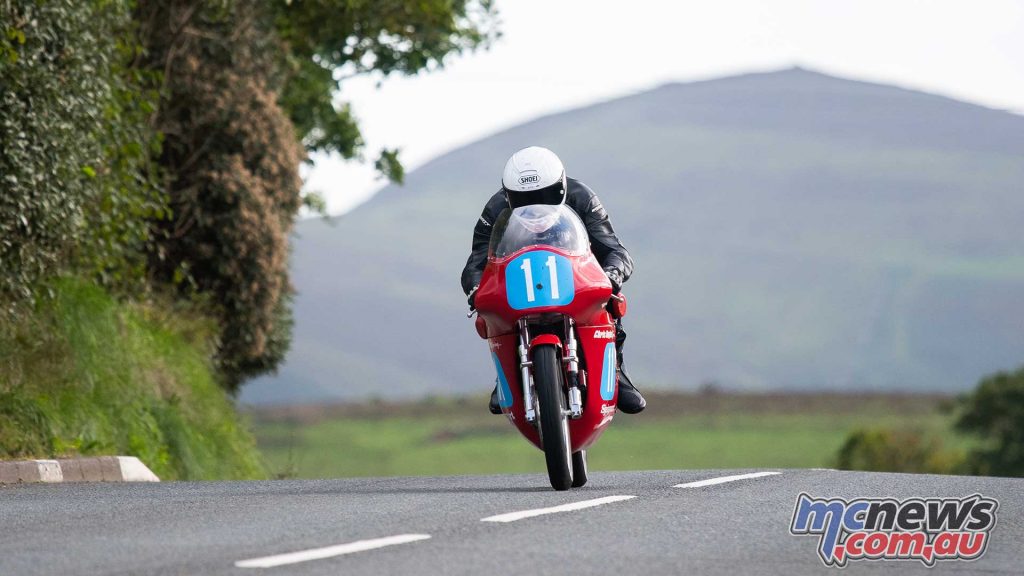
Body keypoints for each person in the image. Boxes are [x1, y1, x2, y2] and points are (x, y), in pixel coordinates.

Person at [461, 146, 646, 415]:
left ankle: (615, 370)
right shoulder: (495, 209)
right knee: (490, 311)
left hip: (574, 275)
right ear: (508, 194)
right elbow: (476, 261)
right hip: (520, 282)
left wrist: (610, 278)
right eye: (522, 199)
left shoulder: (582, 197)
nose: (535, 207)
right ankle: (507, 375)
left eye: (545, 196)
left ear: (560, 186)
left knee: (611, 302)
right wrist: (476, 290)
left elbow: (615, 250)